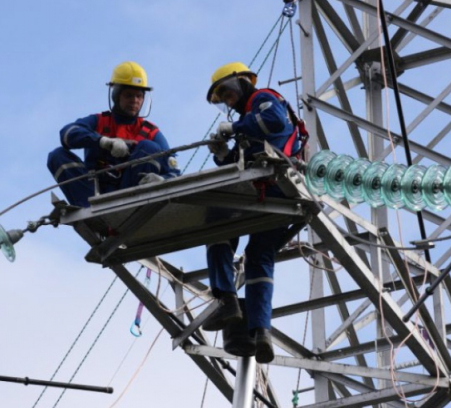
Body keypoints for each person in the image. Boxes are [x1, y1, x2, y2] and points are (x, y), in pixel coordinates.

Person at [201, 62, 307, 364]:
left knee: (217, 227)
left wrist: (234, 128)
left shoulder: (262, 99)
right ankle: (261, 330)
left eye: (227, 91)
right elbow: (240, 158)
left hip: (265, 183)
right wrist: (223, 154)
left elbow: (273, 120)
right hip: (279, 192)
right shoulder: (251, 118)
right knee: (260, 255)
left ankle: (226, 299)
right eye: (220, 97)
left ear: (243, 82)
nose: (226, 99)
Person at [47, 61, 180, 208]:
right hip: (93, 192)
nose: (135, 101)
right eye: (129, 95)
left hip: (131, 196)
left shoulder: (150, 132)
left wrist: (161, 180)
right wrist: (103, 141)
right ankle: (89, 211)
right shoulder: (99, 121)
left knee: (148, 147)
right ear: (116, 96)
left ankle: (133, 204)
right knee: (57, 155)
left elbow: (175, 172)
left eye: (139, 96)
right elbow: (67, 134)